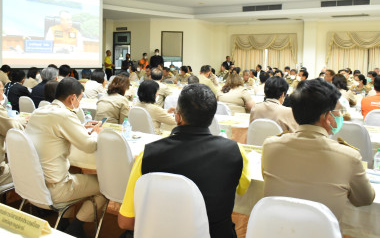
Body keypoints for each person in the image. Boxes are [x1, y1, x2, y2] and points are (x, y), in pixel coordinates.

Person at [118, 83, 250, 238]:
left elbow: (125, 222)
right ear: (211, 117)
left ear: (178, 116)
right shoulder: (235, 152)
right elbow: (242, 190)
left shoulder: (148, 155)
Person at [262, 78, 375, 221]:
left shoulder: (270, 146)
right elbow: (364, 199)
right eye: (338, 112)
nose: (340, 116)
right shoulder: (348, 156)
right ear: (327, 117)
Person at [25, 78, 106, 237]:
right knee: (106, 187)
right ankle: (75, 227)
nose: (79, 103)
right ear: (72, 98)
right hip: (56, 189)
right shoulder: (65, 115)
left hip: (34, 184)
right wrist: (96, 133)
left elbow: (53, 132)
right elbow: (89, 146)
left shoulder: (39, 111)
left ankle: (62, 223)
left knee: (73, 169)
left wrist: (80, 128)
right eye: (80, 98)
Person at [0, 81, 25, 186]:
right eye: (2, 90)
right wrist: (24, 121)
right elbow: (14, 129)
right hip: (1, 173)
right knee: (35, 167)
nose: (3, 94)